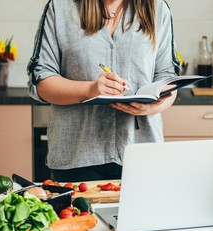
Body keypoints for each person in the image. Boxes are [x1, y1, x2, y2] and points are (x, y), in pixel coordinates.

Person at [27, 0, 181, 182]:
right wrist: (90, 89)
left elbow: (168, 77)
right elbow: (40, 82)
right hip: (76, 158)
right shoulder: (60, 7)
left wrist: (152, 107)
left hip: (142, 155)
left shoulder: (157, 8)